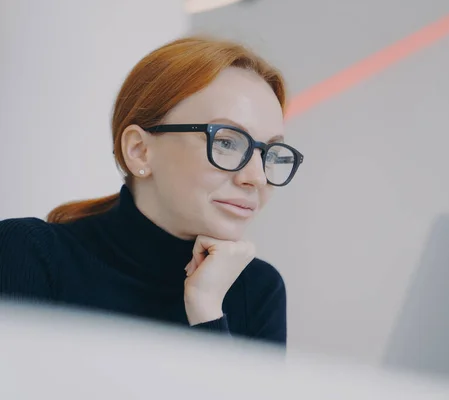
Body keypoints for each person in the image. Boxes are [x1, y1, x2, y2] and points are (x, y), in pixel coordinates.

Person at [0, 36, 303, 346]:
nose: (257, 178)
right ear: (139, 150)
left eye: (269, 153)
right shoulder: (26, 255)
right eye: (226, 142)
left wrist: (206, 310)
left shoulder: (258, 290)